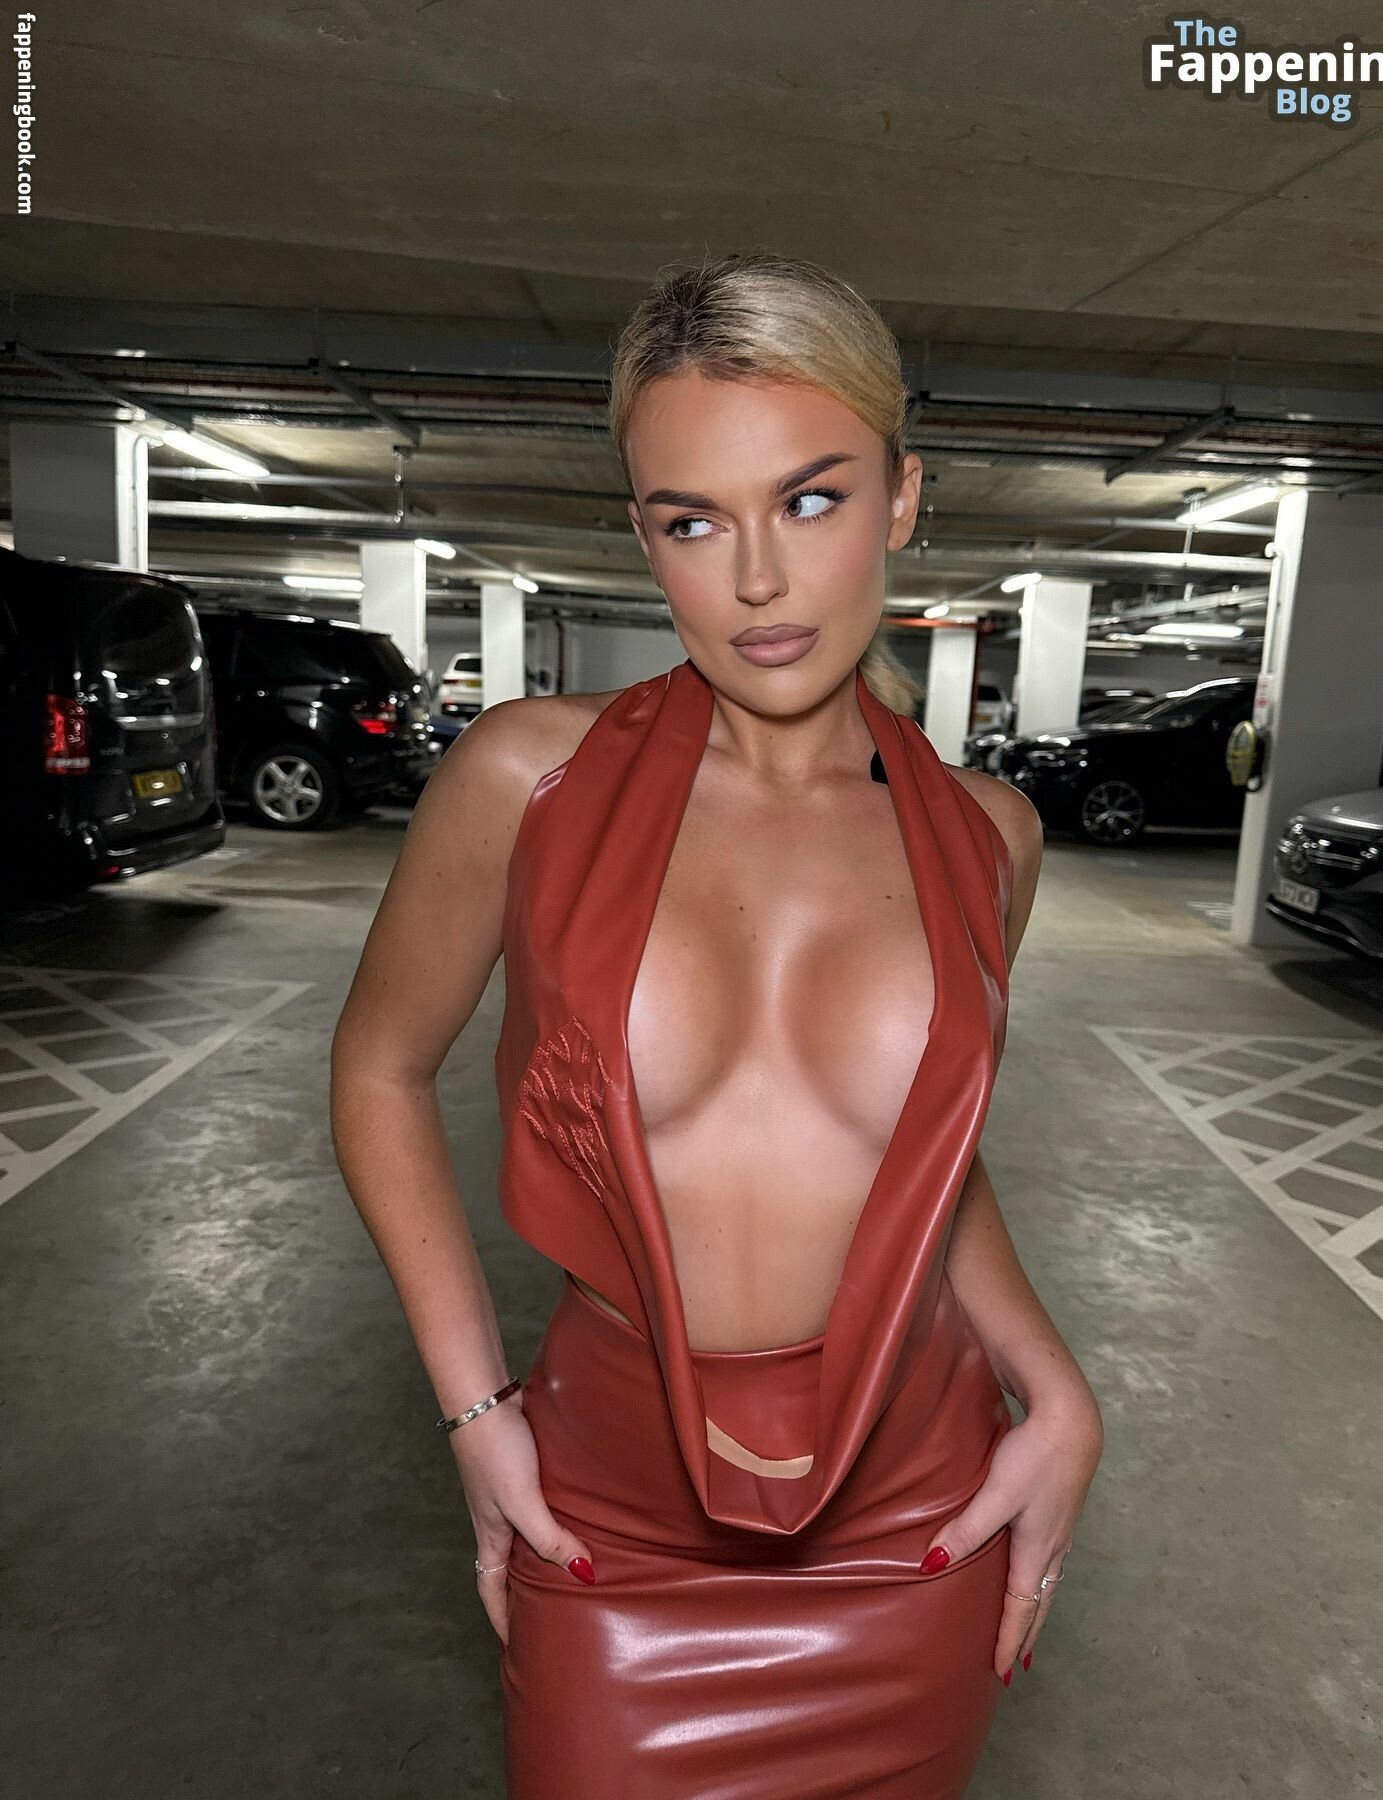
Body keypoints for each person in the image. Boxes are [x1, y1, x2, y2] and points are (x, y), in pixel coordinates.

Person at [330, 250, 1105, 1798]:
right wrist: (475, 1408)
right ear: (646, 536)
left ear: (901, 497)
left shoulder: (987, 837)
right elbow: (380, 1067)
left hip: (915, 1520)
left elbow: (922, 1164)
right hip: (611, 1512)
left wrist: (1058, 1385)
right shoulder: (527, 779)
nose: (756, 581)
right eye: (694, 521)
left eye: (810, 501)